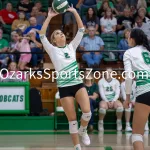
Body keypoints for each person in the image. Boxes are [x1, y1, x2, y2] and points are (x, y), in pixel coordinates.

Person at [39, 7, 91, 150]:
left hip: (78, 84)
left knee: (87, 112)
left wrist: (74, 12)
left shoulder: (71, 47)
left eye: (61, 33)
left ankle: (84, 130)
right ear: (54, 40)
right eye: (57, 33)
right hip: (64, 88)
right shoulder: (52, 49)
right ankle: (77, 147)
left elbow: (81, 29)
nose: (60, 34)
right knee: (72, 120)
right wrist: (49, 17)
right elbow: (42, 35)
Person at [124, 28, 150, 150]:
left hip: (145, 91)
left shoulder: (129, 53)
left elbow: (128, 77)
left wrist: (127, 98)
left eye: (128, 37)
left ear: (132, 39)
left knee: (137, 135)